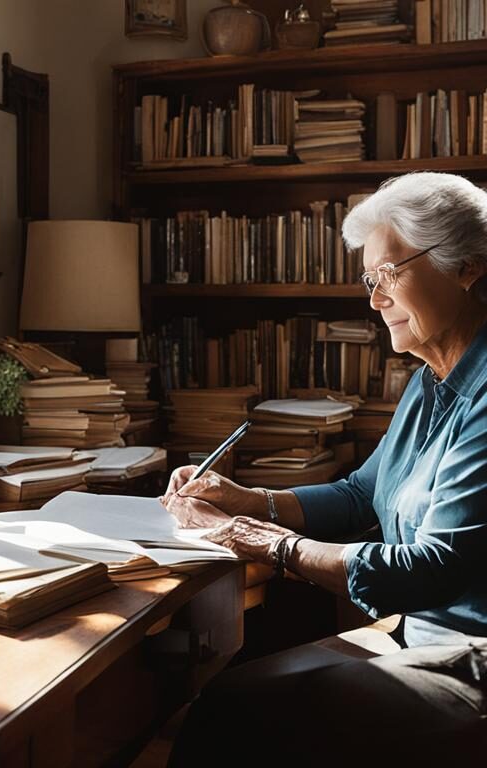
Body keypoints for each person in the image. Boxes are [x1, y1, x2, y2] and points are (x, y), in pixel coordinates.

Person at [161, 172, 487, 766]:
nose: (374, 298)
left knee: (232, 716)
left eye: (389, 274)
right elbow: (363, 493)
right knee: (223, 700)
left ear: (467, 266)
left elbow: (433, 569)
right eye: (370, 279)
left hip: (476, 660)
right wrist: (248, 499)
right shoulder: (428, 381)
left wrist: (268, 544)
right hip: (414, 636)